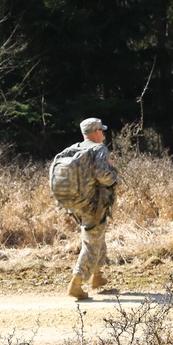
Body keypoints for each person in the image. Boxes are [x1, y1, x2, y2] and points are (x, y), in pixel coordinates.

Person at [65, 117, 118, 300]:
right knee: (92, 241)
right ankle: (76, 283)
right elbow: (102, 174)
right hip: (93, 204)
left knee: (97, 234)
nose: (103, 133)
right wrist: (114, 177)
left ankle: (98, 275)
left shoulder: (75, 149)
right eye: (101, 131)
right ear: (96, 132)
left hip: (76, 204)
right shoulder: (99, 149)